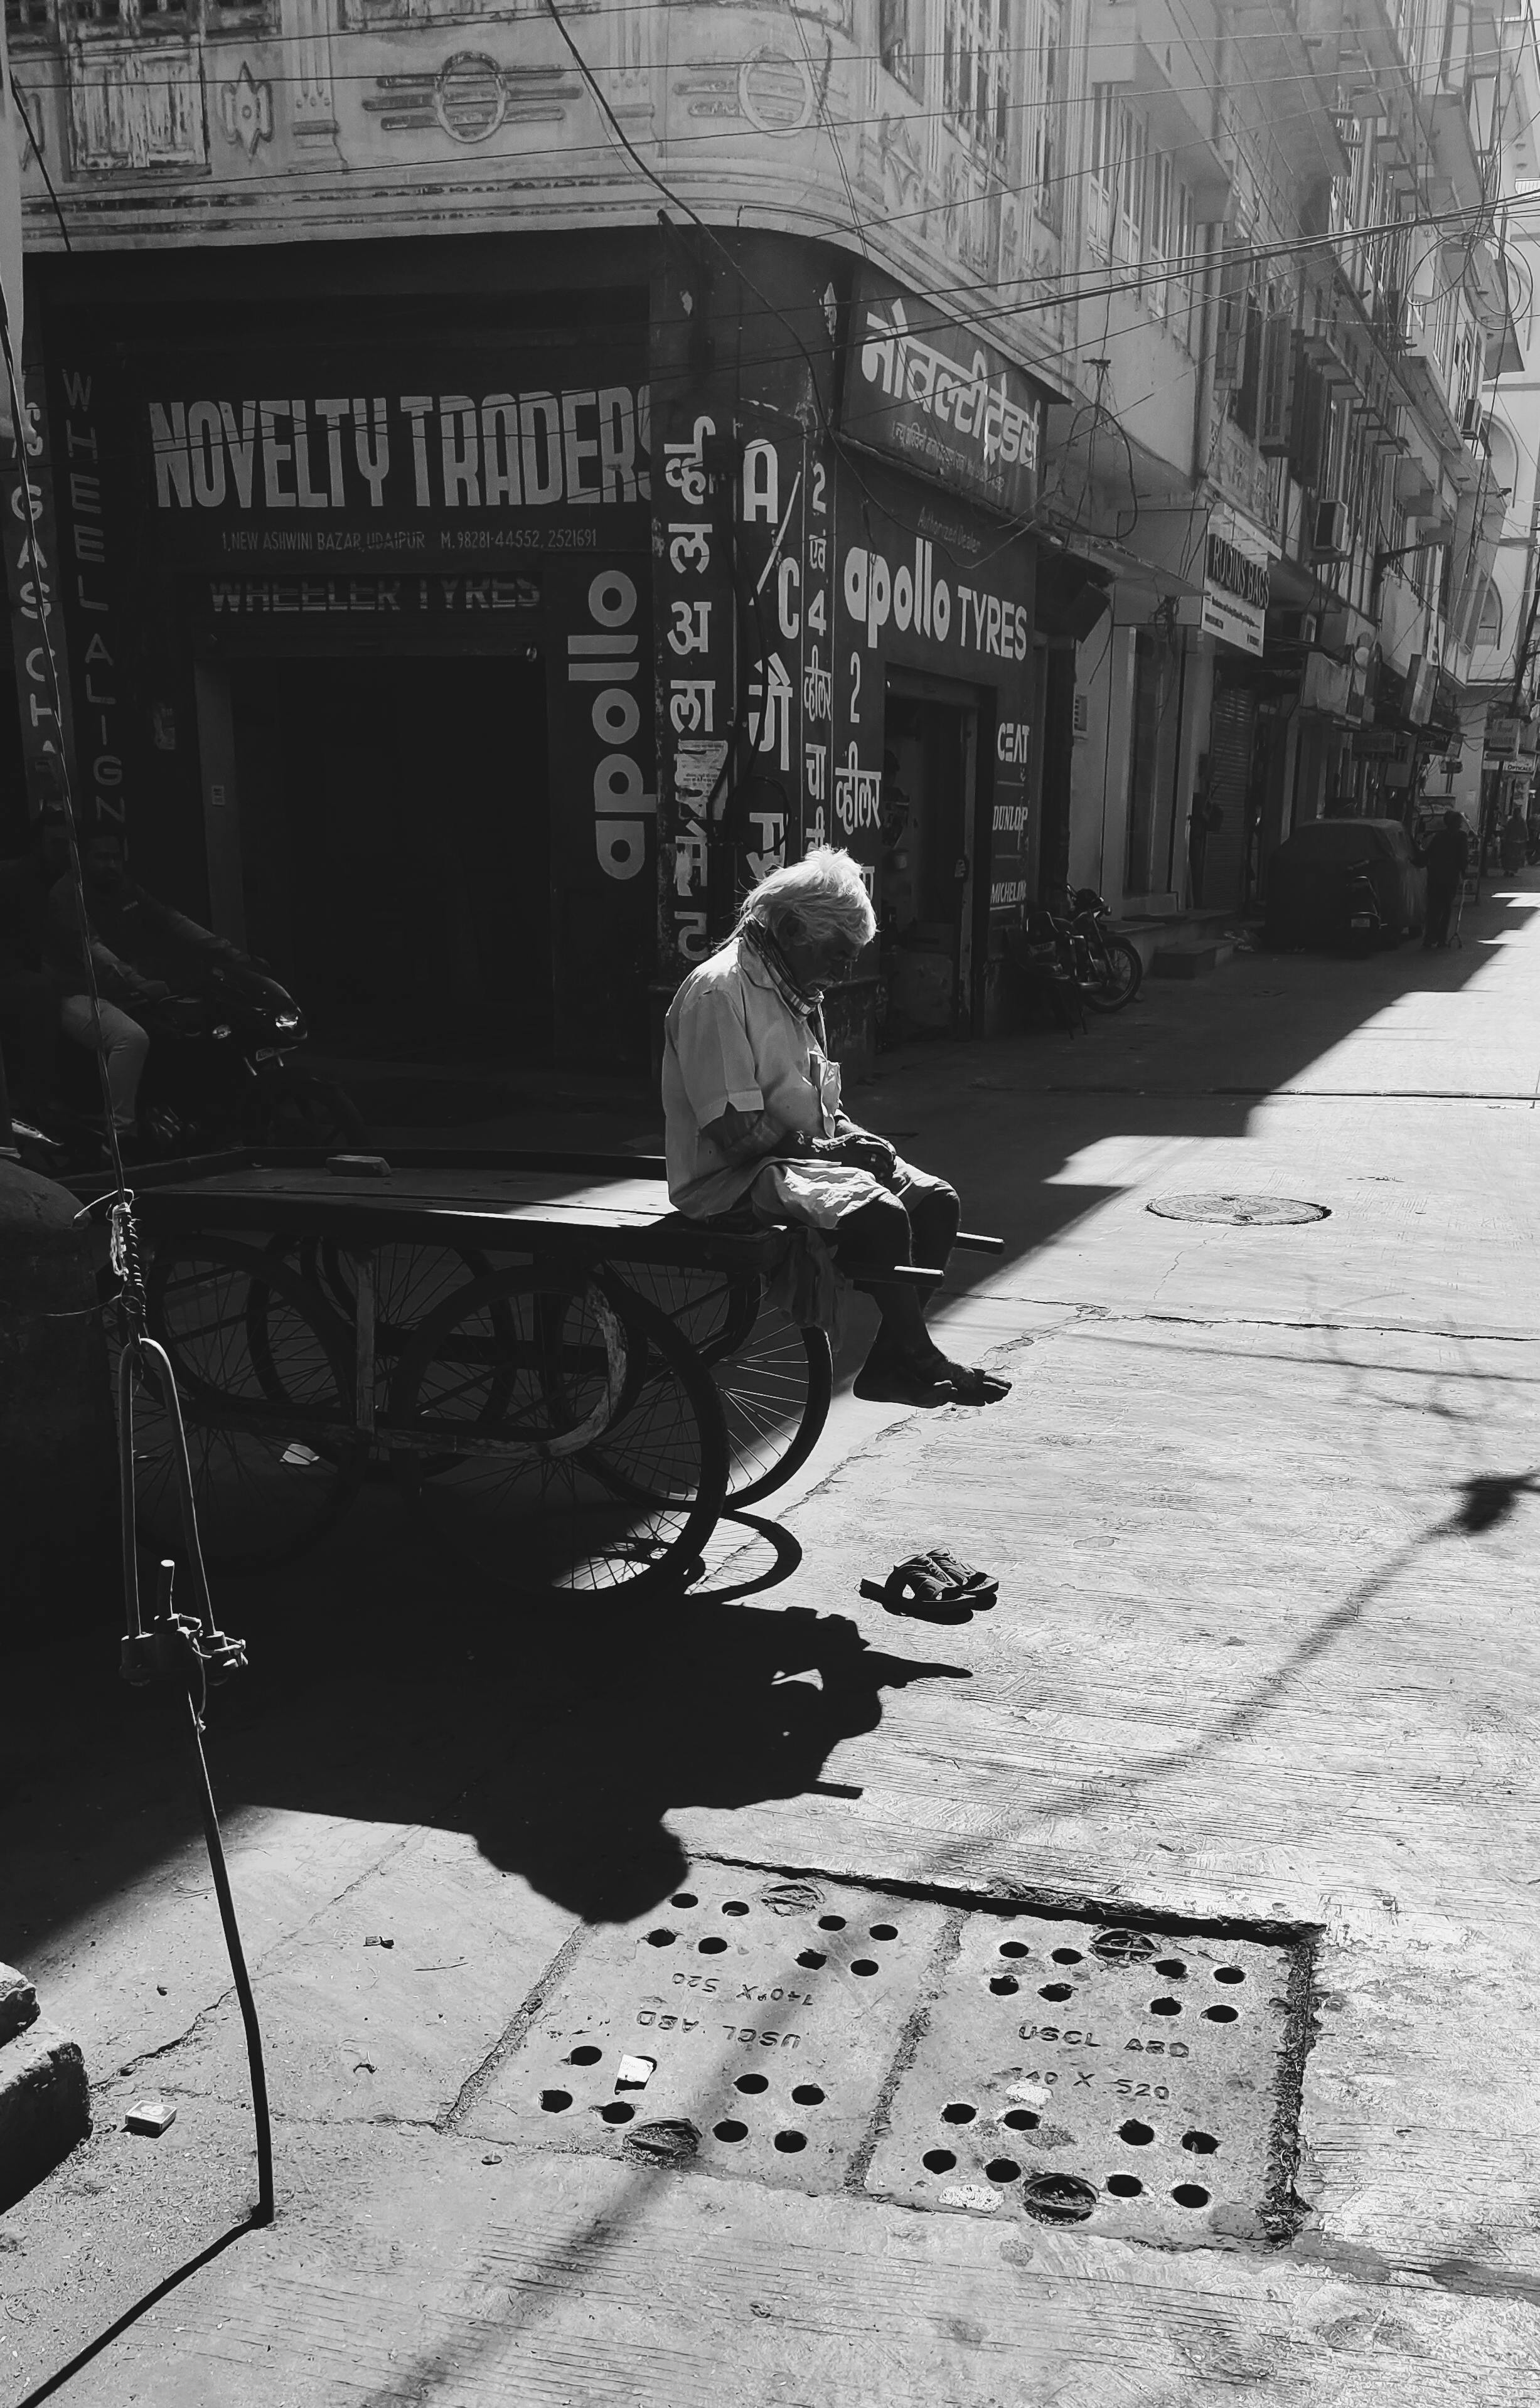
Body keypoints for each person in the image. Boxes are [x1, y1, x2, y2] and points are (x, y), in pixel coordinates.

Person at [662, 846, 1009, 1407]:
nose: (846, 971)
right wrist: (832, 1153)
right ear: (795, 928)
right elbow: (734, 1132)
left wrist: (848, 1137)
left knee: (937, 1201)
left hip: (796, 1160)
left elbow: (816, 1100)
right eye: (837, 955)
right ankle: (921, 1355)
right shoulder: (718, 992)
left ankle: (889, 1364)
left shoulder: (797, 993)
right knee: (881, 1215)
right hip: (729, 1179)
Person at [1413, 809, 1470, 951]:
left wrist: (1416, 861)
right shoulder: (1461, 837)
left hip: (1436, 876)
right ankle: (1441, 939)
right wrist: (1464, 872)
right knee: (1446, 908)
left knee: (1433, 908)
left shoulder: (1439, 837)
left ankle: (1429, 938)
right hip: (1449, 878)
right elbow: (1462, 857)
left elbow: (1428, 855)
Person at [1500, 806, 1529, 878]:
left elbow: (1524, 831)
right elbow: (1524, 831)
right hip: (1514, 841)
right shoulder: (1519, 821)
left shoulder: (1515, 821)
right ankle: (1510, 870)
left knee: (1511, 857)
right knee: (1512, 857)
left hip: (1514, 841)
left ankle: (1510, 870)